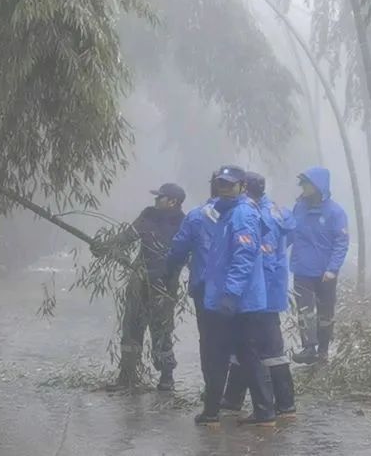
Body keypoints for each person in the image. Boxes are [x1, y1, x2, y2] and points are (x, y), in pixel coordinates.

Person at [194, 164, 275, 427]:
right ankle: (263, 413)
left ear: (242, 186)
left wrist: (230, 294)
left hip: (238, 302)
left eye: (230, 184)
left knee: (222, 354)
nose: (224, 188)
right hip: (232, 299)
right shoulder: (224, 212)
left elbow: (244, 258)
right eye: (221, 183)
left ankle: (212, 413)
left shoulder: (242, 214)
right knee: (245, 355)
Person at [91, 182, 186, 391]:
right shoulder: (148, 215)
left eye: (160, 197)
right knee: (131, 329)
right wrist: (105, 247)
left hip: (164, 287)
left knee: (161, 332)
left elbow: (187, 257)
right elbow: (126, 237)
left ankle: (166, 378)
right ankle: (127, 376)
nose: (155, 200)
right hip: (139, 282)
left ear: (173, 201)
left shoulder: (184, 224)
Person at [221, 171, 297, 419]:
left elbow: (263, 256)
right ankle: (233, 399)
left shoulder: (259, 215)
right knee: (246, 347)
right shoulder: (274, 210)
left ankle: (284, 404)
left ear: (244, 188)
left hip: (261, 296)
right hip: (267, 291)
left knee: (266, 349)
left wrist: (243, 289)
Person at [167, 173, 219, 407]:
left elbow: (179, 247)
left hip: (205, 287)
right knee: (240, 341)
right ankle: (234, 396)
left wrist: (169, 266)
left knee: (209, 340)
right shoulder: (249, 214)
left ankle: (213, 393)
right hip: (240, 292)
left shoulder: (197, 216)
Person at [290, 167, 349, 364]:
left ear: (317, 186)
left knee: (326, 313)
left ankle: (323, 350)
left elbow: (341, 242)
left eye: (306, 183)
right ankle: (309, 348)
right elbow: (290, 232)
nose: (302, 187)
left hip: (325, 273)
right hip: (302, 270)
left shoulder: (335, 212)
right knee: (305, 311)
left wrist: (333, 269)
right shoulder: (298, 207)